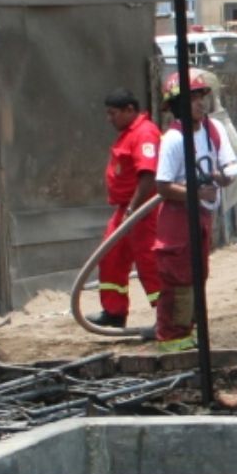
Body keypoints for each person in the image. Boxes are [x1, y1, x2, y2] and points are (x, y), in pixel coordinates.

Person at [151, 70, 237, 353]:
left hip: (202, 215)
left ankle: (190, 329)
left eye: (201, 97)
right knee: (178, 275)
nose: (200, 104)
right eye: (192, 99)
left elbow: (227, 167)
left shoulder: (214, 130)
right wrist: (196, 192)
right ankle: (173, 339)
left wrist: (224, 176)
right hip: (177, 218)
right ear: (177, 105)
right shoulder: (173, 140)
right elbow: (163, 186)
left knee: (198, 274)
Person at [95, 89, 162, 328]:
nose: (109, 118)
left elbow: (149, 176)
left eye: (113, 113)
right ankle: (114, 312)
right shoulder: (128, 134)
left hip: (144, 209)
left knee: (149, 261)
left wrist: (133, 209)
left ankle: (167, 316)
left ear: (129, 110)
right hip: (127, 208)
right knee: (111, 255)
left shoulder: (144, 134)